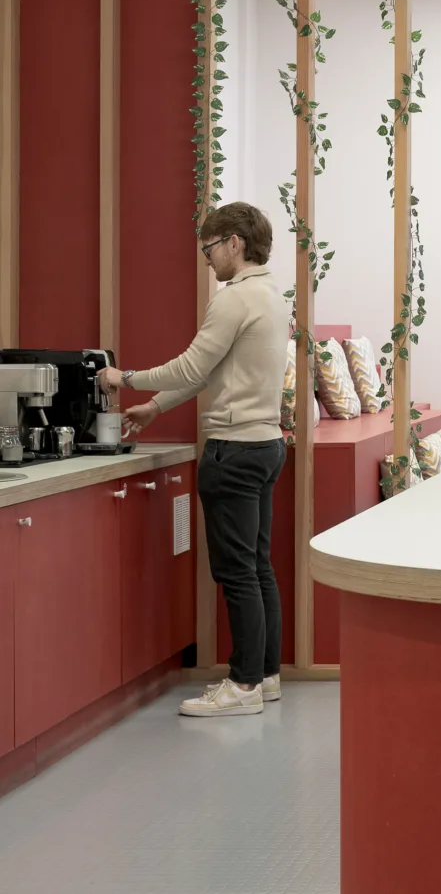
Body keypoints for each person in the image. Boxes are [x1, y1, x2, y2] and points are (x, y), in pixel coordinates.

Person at [99, 203, 290, 716]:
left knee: (237, 573)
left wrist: (125, 378)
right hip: (266, 445)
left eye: (210, 247)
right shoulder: (272, 296)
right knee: (257, 567)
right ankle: (265, 675)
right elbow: (211, 372)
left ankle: (243, 687)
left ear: (234, 243)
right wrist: (156, 407)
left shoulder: (233, 299)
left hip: (233, 450)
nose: (207, 258)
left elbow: (190, 365)